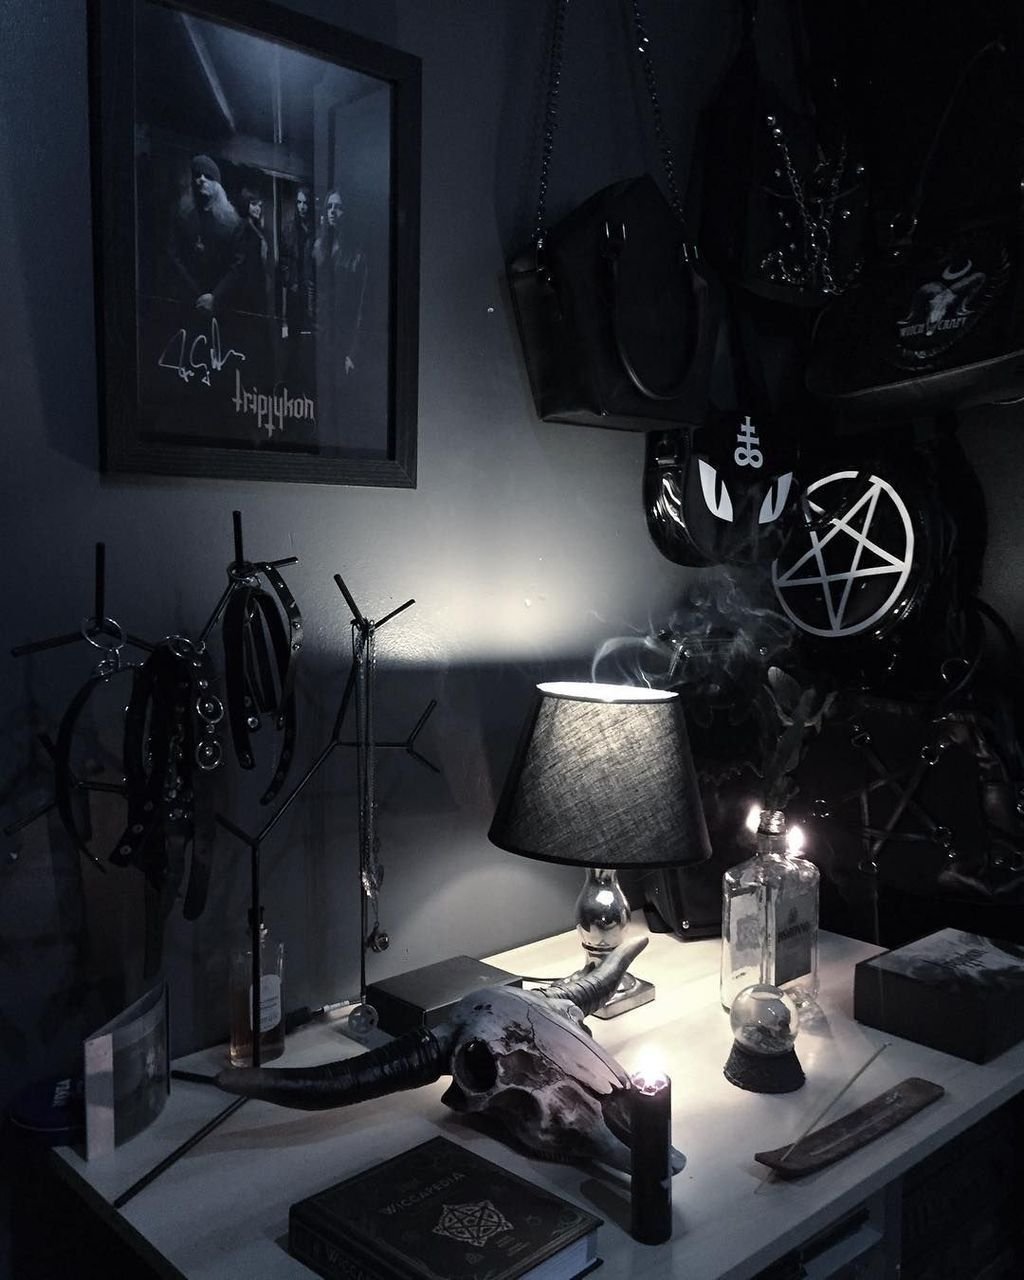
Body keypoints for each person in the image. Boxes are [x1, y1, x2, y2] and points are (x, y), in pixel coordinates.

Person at [167, 154, 246, 313]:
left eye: (208, 176)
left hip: (221, 305)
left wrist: (215, 296)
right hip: (186, 300)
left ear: (217, 185)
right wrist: (196, 295)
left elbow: (238, 265)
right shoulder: (181, 216)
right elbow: (173, 256)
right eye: (197, 175)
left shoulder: (232, 222)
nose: (202, 179)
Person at [312, 188, 368, 375]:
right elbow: (311, 289)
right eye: (329, 207)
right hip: (319, 334)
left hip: (343, 340)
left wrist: (353, 351)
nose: (332, 212)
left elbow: (361, 307)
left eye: (338, 207)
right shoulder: (318, 247)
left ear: (346, 212)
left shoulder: (357, 256)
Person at [279, 185, 315, 336]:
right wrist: (289, 280)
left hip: (310, 287)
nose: (302, 207)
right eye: (299, 202)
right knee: (294, 331)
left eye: (305, 203)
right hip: (294, 287)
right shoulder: (289, 228)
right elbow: (283, 258)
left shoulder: (316, 229)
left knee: (311, 331)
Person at [238, 187, 273, 316]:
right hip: (248, 287)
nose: (258, 208)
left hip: (260, 284)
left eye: (259, 205)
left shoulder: (259, 229)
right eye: (253, 204)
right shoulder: (243, 229)